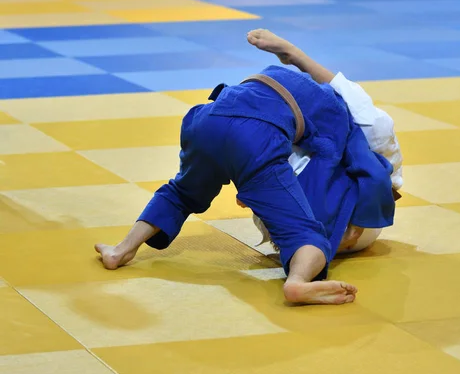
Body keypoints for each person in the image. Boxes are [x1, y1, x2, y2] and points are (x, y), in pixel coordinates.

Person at [95, 30, 399, 306]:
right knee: (307, 231)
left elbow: (328, 87)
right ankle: (297, 282)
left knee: (180, 193)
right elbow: (342, 169)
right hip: (257, 136)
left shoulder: (313, 90)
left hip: (207, 117)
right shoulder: (350, 123)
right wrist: (340, 223)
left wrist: (290, 53)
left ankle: (120, 250)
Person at [244, 30, 403, 255]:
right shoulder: (367, 129)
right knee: (369, 122)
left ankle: (295, 58)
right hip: (349, 230)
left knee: (365, 124)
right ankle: (296, 57)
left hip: (326, 231)